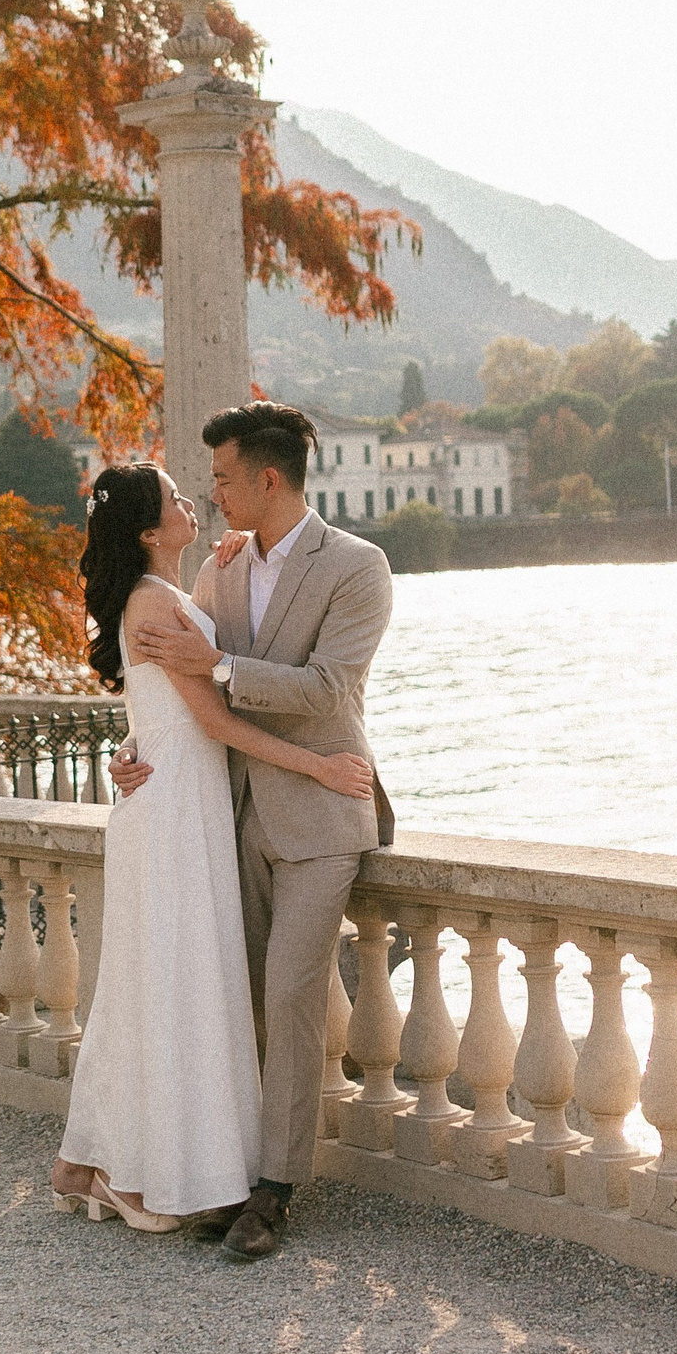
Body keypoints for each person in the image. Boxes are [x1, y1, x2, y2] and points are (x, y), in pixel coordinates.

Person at [49, 461, 375, 1234]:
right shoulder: (157, 604)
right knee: (168, 987)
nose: (193, 499)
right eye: (174, 499)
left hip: (170, 801)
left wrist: (126, 747)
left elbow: (159, 701)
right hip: (174, 814)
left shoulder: (161, 596)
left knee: (147, 985)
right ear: (150, 530)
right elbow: (217, 722)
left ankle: (88, 1159)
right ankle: (136, 1171)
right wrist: (321, 766)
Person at [112, 401, 395, 1263]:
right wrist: (128, 748)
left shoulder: (359, 566)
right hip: (229, 815)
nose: (215, 493)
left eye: (225, 477)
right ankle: (225, 1171)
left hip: (321, 814)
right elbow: (178, 694)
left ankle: (274, 1190)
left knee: (294, 993)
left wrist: (224, 664)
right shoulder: (220, 572)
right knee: (241, 997)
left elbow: (328, 688)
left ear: (268, 478)